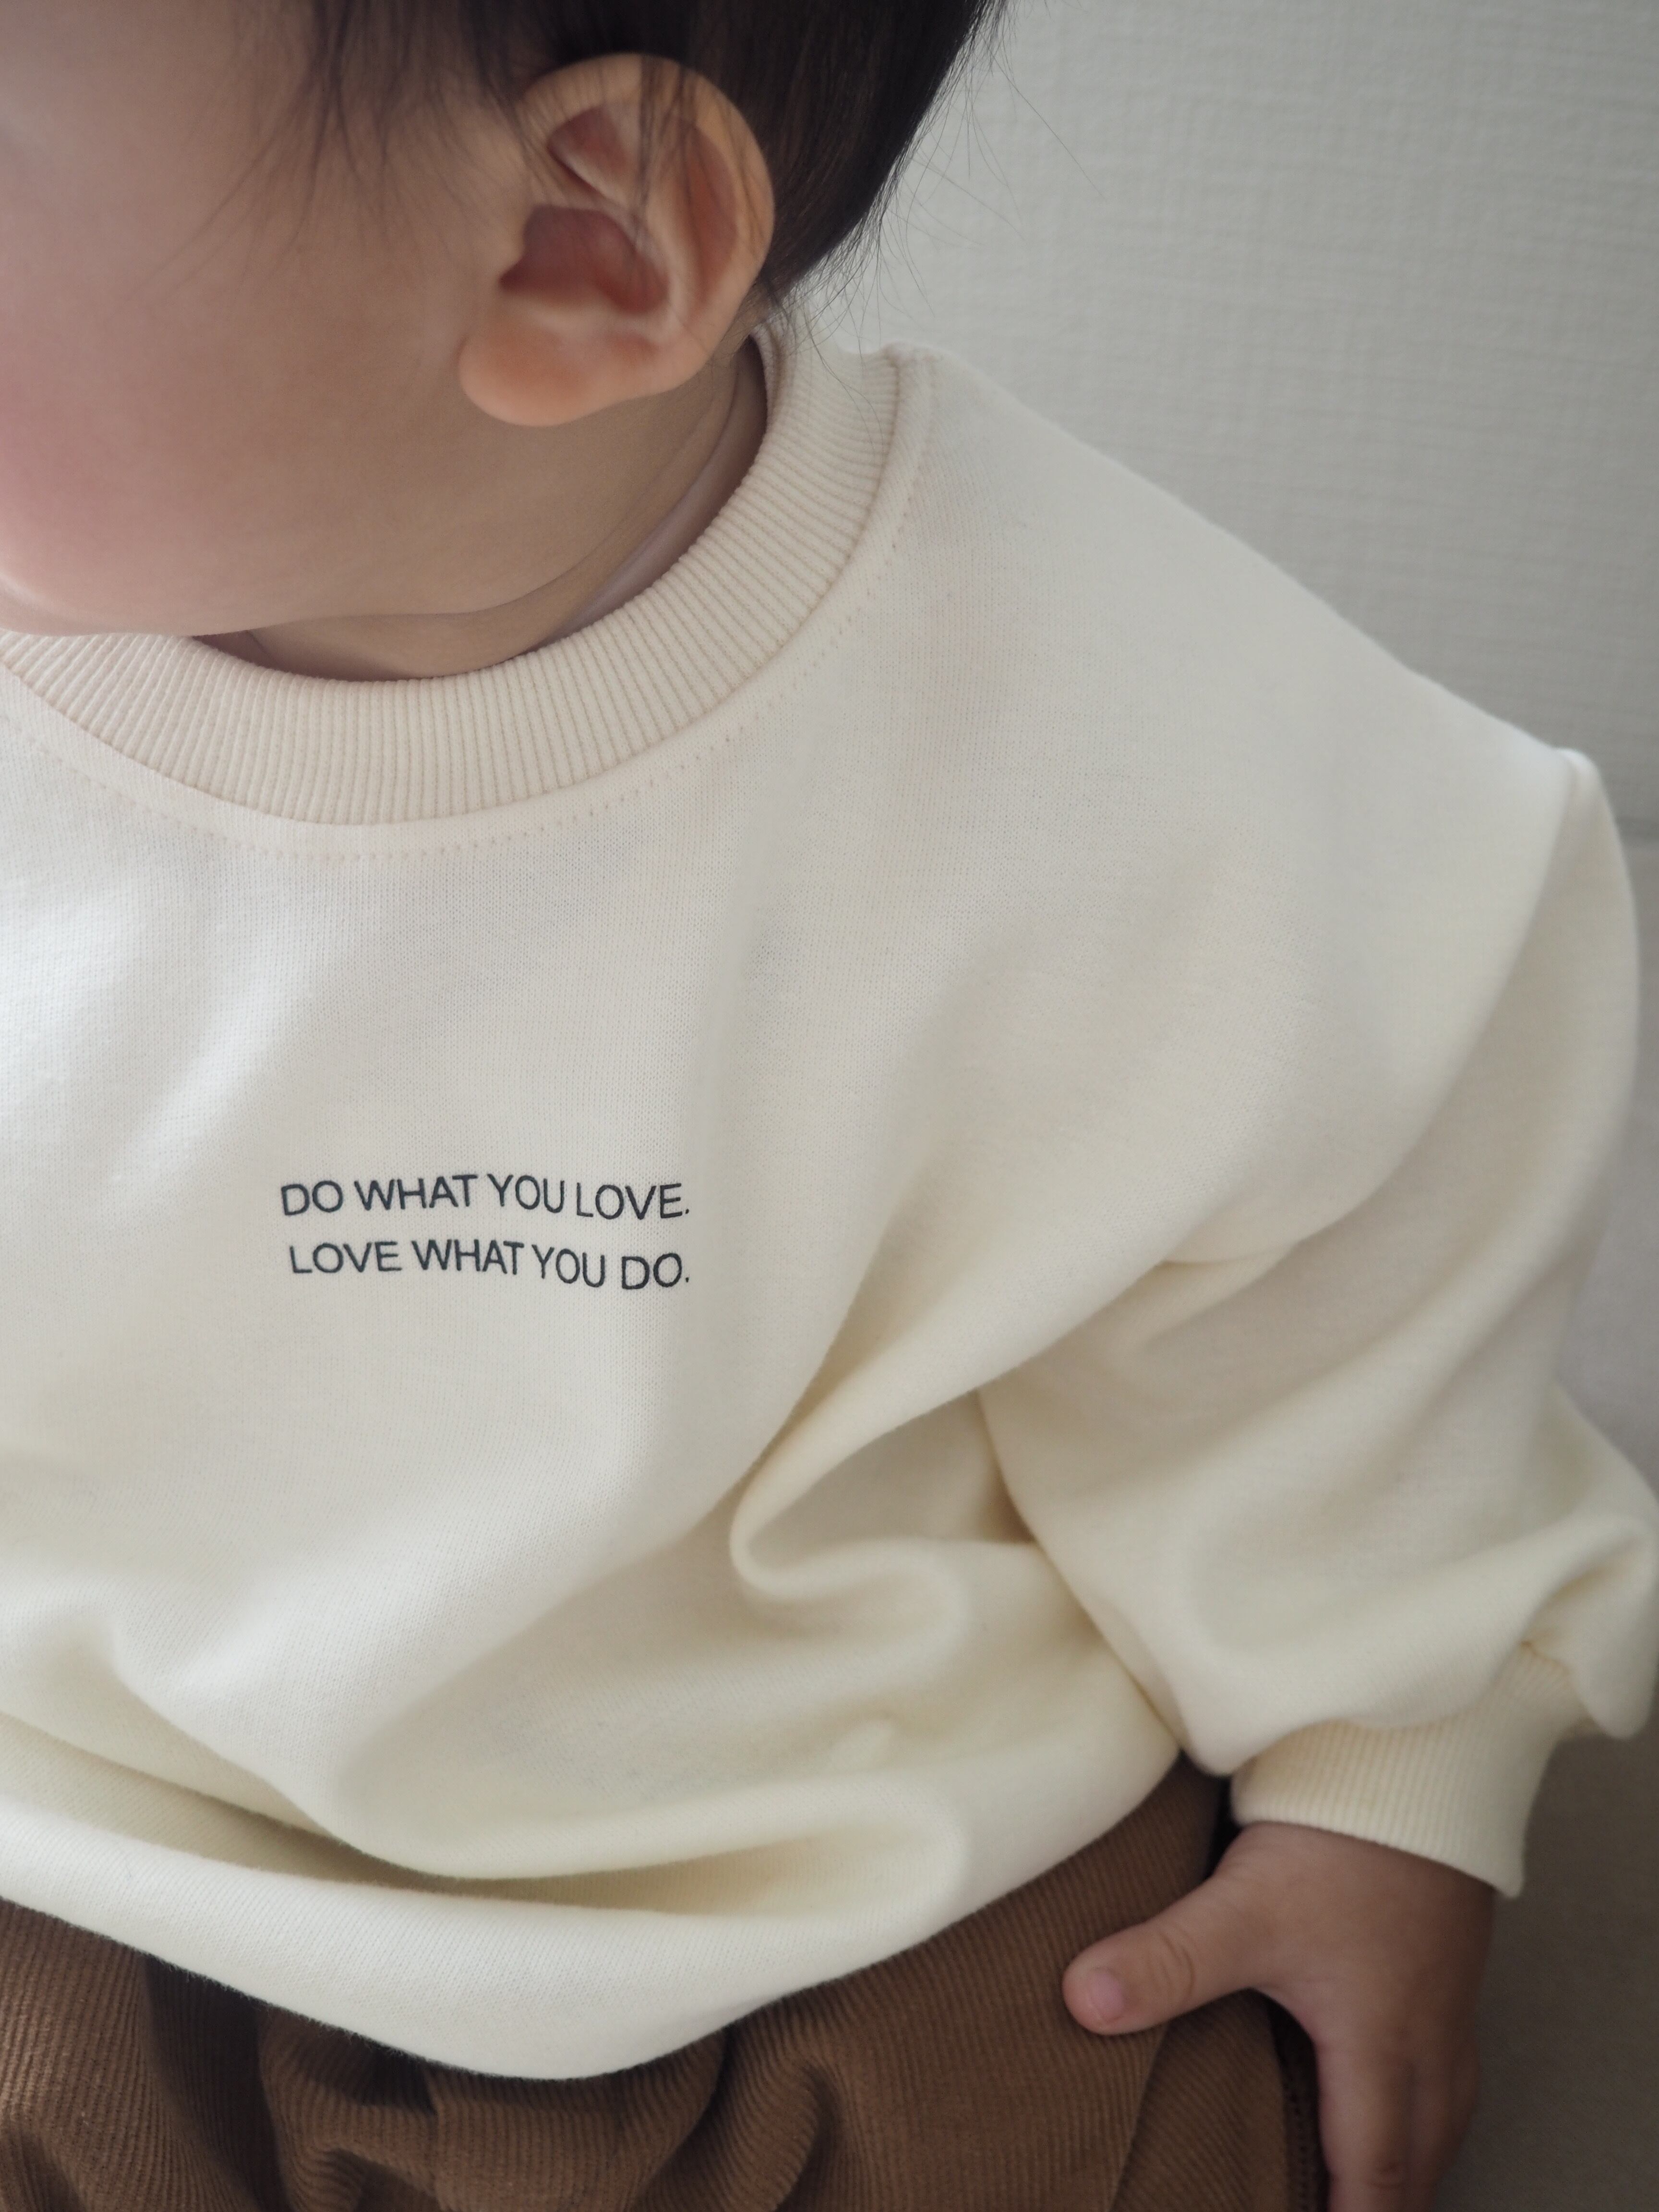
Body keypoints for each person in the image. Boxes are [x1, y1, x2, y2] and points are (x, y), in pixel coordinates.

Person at [0, 2, 1652, 2208]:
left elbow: (1358, 1211)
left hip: (846, 1846)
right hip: (73, 1805)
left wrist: (1386, 1758)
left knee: (1124, 2106)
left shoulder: (1122, 739)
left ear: (583, 246)